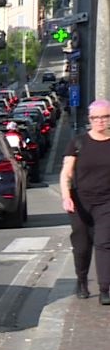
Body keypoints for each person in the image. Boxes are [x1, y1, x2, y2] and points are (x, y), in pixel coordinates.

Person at [59, 98, 110, 304]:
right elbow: (66, 174)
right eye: (95, 118)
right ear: (89, 119)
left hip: (106, 202)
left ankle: (105, 288)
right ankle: (81, 280)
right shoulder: (78, 142)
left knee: (104, 243)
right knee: (81, 246)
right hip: (79, 201)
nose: (100, 121)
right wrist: (65, 196)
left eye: (105, 117)